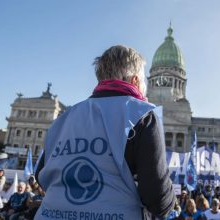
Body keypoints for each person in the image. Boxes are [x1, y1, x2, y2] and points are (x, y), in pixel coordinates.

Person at [34, 45, 175, 219]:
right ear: (136, 81)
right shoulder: (141, 114)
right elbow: (158, 200)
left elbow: (40, 175)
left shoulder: (62, 119)